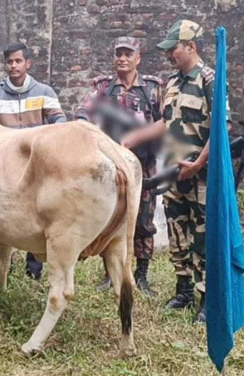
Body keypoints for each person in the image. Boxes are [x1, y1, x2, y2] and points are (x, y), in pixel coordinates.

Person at [75, 36, 163, 296]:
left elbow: (167, 121)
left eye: (128, 54)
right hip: (112, 168)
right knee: (111, 218)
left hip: (144, 167)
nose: (122, 58)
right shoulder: (103, 88)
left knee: (144, 221)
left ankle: (142, 274)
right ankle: (109, 272)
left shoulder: (153, 88)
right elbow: (83, 112)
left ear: (138, 58)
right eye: (118, 54)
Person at [0, 42, 67, 280]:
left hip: (36, 164)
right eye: (9, 62)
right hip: (4, 166)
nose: (13, 66)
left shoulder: (44, 92)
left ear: (28, 64)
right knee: (8, 210)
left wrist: (42, 140)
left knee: (35, 211)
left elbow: (59, 121)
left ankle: (33, 270)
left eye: (18, 61)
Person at [154, 20, 219, 322]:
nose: (169, 55)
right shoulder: (171, 83)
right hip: (173, 172)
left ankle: (206, 298)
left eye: (174, 49)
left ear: (191, 47)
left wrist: (198, 165)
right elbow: (166, 124)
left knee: (202, 235)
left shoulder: (209, 80)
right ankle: (183, 290)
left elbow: (220, 129)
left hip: (200, 173)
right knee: (177, 230)